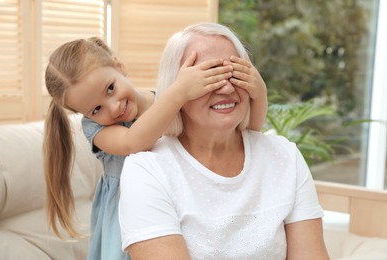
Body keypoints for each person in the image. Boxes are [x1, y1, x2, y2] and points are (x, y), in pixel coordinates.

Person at [119, 22, 330, 259]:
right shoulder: (147, 170)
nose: (227, 88)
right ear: (177, 88)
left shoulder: (285, 156)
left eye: (234, 73)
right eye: (209, 76)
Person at [43, 37, 267, 259]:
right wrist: (179, 92)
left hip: (177, 199)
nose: (113, 108)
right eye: (96, 109)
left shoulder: (166, 101)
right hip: (128, 216)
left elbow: (248, 136)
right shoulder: (97, 128)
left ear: (119, 67)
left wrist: (259, 94)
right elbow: (133, 143)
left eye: (110, 89)